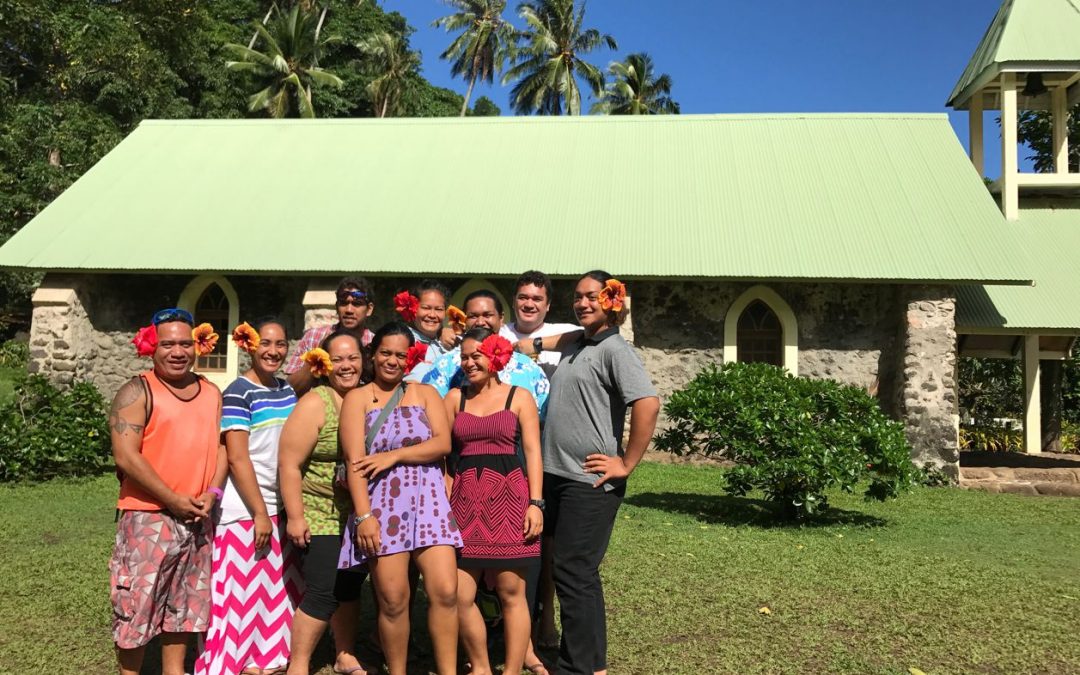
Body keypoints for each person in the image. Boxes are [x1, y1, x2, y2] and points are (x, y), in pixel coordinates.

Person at [543, 272, 660, 675]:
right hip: (556, 476)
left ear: (611, 301)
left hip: (589, 482)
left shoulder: (615, 350)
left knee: (575, 572)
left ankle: (582, 667)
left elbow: (647, 402)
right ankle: (589, 664)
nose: (582, 303)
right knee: (567, 569)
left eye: (592, 296)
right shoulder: (580, 342)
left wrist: (625, 463)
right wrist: (527, 344)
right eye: (577, 297)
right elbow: (563, 339)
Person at [339, 321, 462, 675]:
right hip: (382, 506)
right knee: (393, 600)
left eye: (400, 354)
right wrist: (363, 516)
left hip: (429, 502)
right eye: (385, 353)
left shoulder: (425, 394)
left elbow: (442, 444)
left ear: (411, 358)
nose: (392, 361)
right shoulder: (357, 399)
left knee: (445, 592)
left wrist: (393, 456)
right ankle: (397, 670)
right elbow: (354, 462)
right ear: (372, 355)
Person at [109, 308, 227, 675]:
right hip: (147, 518)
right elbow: (127, 456)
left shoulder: (211, 392)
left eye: (184, 343)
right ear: (152, 348)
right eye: (168, 344)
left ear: (197, 346)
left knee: (185, 608)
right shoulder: (137, 390)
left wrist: (212, 492)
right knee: (136, 607)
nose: (177, 351)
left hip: (197, 517)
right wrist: (172, 499)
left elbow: (222, 448)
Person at [196, 317, 301, 675]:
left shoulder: (286, 391)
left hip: (279, 503)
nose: (273, 351)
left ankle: (264, 657)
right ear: (249, 346)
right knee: (237, 592)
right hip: (245, 507)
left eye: (281, 344)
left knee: (271, 588)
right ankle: (228, 661)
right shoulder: (238, 391)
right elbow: (238, 457)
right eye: (265, 343)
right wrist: (259, 511)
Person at [444, 328, 544, 675]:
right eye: (464, 357)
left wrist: (536, 503)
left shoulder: (519, 397)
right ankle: (483, 666)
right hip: (464, 503)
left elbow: (533, 452)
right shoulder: (454, 399)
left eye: (477, 355)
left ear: (496, 356)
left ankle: (513, 670)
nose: (470, 363)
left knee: (511, 592)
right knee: (457, 595)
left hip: (510, 500)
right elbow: (443, 455)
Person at [278, 330, 371, 675]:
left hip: (357, 512)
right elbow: (289, 463)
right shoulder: (317, 402)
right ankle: (298, 665)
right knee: (324, 589)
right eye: (339, 359)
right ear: (325, 364)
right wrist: (296, 517)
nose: (347, 366)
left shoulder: (367, 398)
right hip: (319, 511)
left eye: (354, 358)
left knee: (348, 585)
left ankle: (344, 654)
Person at [421, 289, 549, 416]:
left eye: (487, 315)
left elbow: (544, 417)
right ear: (463, 320)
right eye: (473, 316)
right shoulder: (445, 365)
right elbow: (431, 415)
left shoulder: (528, 368)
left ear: (501, 318)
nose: (480, 322)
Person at [286, 277, 376, 397]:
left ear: (369, 309)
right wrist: (317, 356)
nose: (349, 310)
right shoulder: (313, 337)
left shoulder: (375, 344)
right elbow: (290, 391)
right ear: (337, 307)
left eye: (356, 304)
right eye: (343, 303)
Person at [499, 270, 580, 378]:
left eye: (537, 299)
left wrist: (537, 344)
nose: (529, 304)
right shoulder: (500, 333)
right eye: (523, 297)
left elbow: (591, 334)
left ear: (548, 305)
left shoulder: (563, 332)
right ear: (513, 302)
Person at [397, 279, 457, 382]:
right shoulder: (400, 340)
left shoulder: (450, 343)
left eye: (439, 309)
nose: (432, 315)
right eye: (426, 308)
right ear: (413, 308)